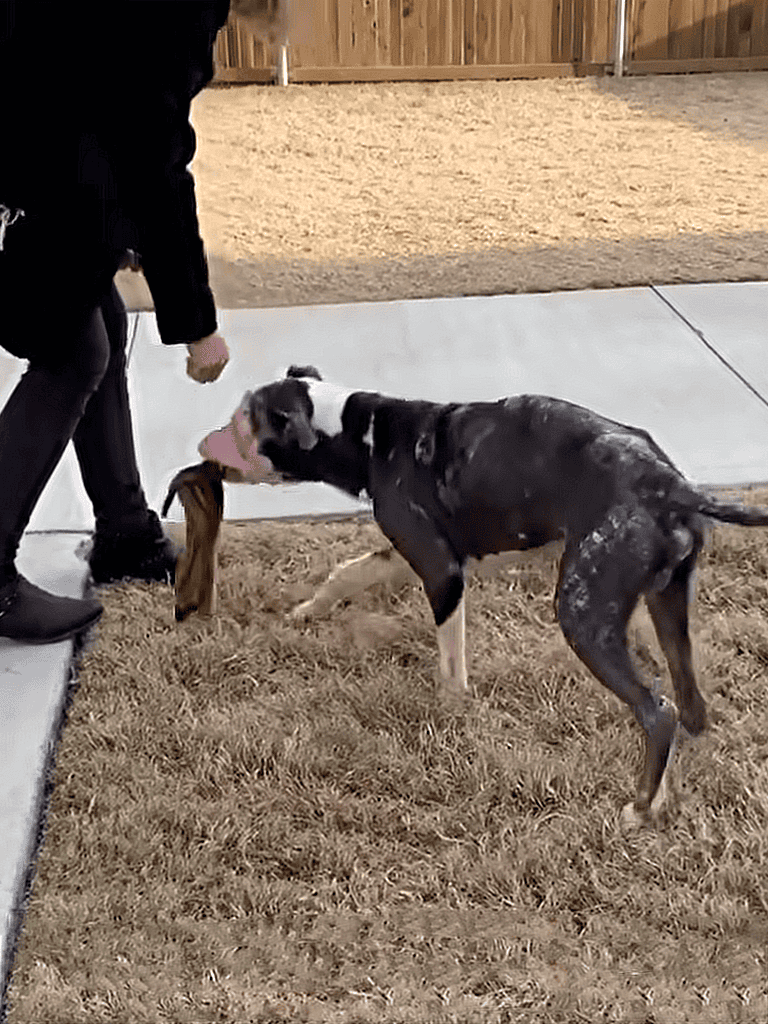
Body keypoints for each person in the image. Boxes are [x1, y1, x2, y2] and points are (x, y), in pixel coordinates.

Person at [0, 1, 233, 644]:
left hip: (38, 162)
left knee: (91, 311)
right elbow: (154, 154)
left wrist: (112, 222)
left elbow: (100, 100)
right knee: (70, 352)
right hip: (26, 177)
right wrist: (197, 325)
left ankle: (126, 532)